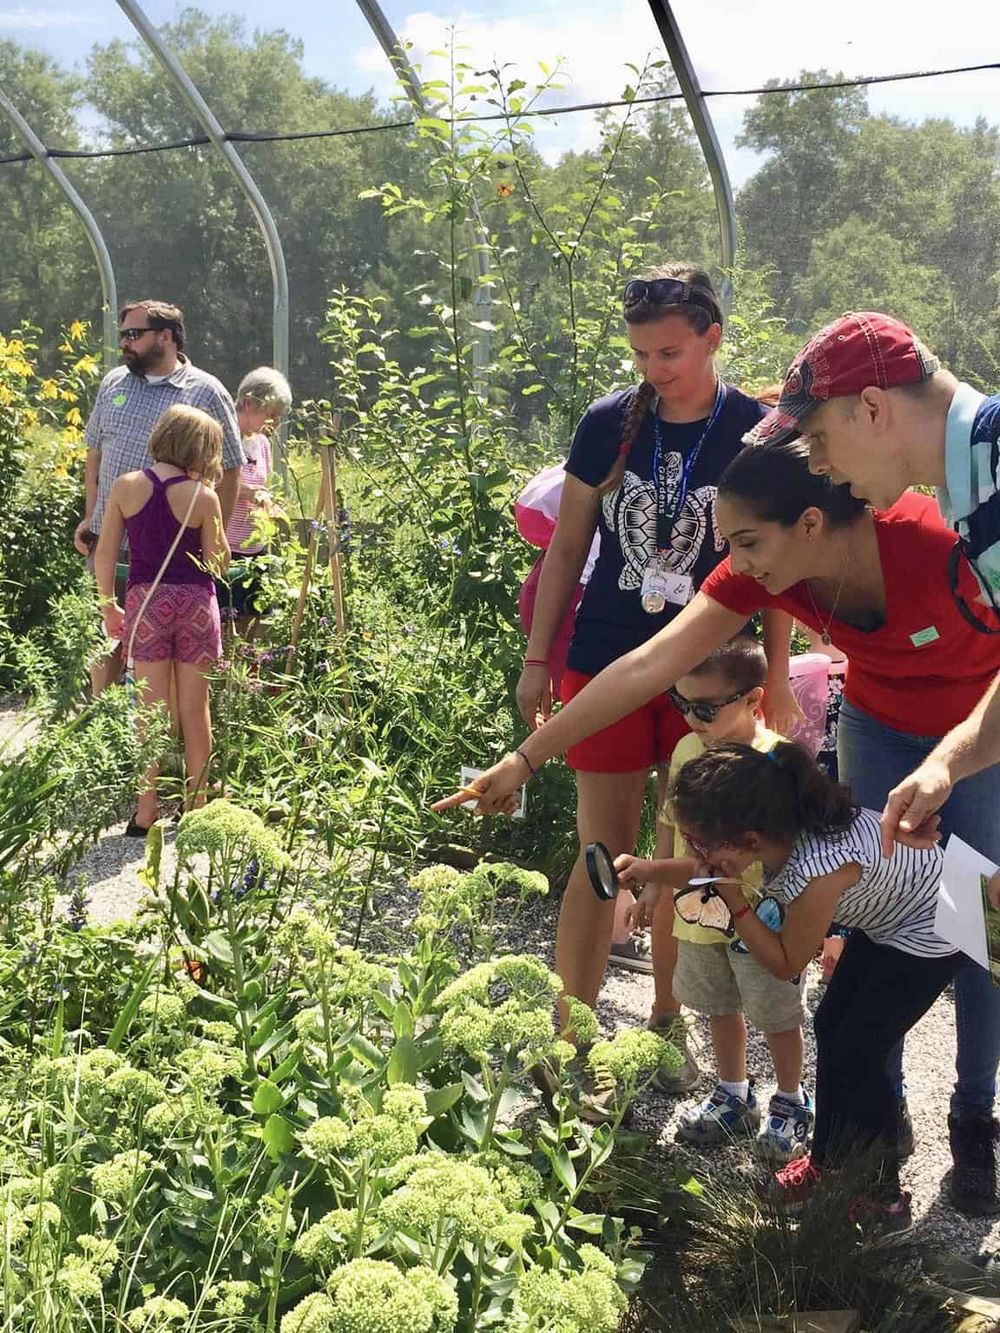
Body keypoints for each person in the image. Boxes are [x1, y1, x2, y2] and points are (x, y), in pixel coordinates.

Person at [435, 441, 1000, 1213]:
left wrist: (958, 758)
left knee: (969, 931)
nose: (734, 564)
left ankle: (973, 1120)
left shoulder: (932, 544)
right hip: (884, 725)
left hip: (980, 733)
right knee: (868, 978)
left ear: (808, 522)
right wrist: (528, 758)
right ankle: (874, 1134)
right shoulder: (756, 571)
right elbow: (643, 666)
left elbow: (780, 946)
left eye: (746, 542)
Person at [512, 262, 797, 1091]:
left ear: (713, 335)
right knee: (601, 851)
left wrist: (777, 677)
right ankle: (571, 1031)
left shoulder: (758, 427)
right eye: (641, 354)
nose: (654, 369)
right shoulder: (609, 423)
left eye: (670, 351)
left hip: (712, 672)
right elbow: (567, 548)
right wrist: (538, 659)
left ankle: (665, 1029)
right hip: (602, 660)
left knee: (690, 852)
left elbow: (776, 568)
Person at [670, 740, 960, 1233]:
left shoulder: (817, 872)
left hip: (935, 929)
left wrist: (737, 905)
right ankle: (827, 1162)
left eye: (702, 846)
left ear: (750, 839)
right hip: (893, 921)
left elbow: (786, 962)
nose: (698, 857)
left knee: (861, 1050)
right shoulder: (788, 827)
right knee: (832, 1026)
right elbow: (713, 879)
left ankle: (883, 1197)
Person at [743, 310, 1000, 854]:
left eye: (818, 438)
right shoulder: (972, 489)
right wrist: (948, 767)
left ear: (872, 407)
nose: (816, 466)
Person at [617, 636, 811, 1161]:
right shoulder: (684, 750)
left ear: (754, 700)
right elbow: (668, 823)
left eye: (704, 708)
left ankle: (791, 1100)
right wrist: (655, 887)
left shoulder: (778, 761)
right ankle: (733, 1092)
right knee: (719, 1006)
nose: (692, 719)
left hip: (764, 920)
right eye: (682, 704)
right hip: (696, 913)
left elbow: (800, 849)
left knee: (776, 1011)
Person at [77, 300, 244, 692]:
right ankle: (107, 734)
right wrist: (90, 518)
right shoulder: (114, 383)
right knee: (102, 642)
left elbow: (231, 469)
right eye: (122, 336)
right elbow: (95, 454)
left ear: (165, 337)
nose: (124, 344)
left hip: (172, 561)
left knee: (164, 669)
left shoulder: (205, 391)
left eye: (133, 335)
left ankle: (160, 746)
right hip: (111, 544)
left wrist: (211, 539)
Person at [95, 405, 230, 834]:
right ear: (200, 450)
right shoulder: (203, 497)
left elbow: (105, 552)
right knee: (195, 707)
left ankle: (145, 810)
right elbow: (217, 562)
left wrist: (107, 606)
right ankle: (198, 805)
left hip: (145, 602)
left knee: (149, 710)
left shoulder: (125, 487)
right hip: (195, 605)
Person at [216, 366, 292, 635]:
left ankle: (245, 678)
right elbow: (206, 484)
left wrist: (270, 504)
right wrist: (247, 492)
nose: (275, 425)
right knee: (223, 627)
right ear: (248, 404)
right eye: (271, 416)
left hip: (254, 552)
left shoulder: (262, 444)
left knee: (250, 627)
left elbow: (263, 486)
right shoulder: (220, 437)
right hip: (223, 548)